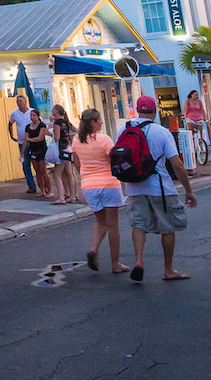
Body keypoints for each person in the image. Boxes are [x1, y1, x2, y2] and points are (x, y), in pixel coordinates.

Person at [121, 95, 197, 282]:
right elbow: (177, 164)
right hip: (159, 187)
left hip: (134, 187)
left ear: (138, 110)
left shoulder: (124, 128)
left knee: (138, 224)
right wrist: (188, 190)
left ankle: (139, 259)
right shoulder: (161, 132)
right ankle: (168, 269)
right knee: (167, 227)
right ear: (154, 111)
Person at [74, 111, 127, 274]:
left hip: (89, 186)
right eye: (99, 121)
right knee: (113, 226)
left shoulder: (76, 140)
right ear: (93, 123)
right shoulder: (104, 140)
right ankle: (115, 263)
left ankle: (94, 249)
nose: (102, 123)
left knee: (101, 222)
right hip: (108, 183)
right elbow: (114, 160)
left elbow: (77, 164)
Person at [51, 109, 81, 205]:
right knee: (70, 173)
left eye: (53, 109)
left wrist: (52, 131)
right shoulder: (66, 122)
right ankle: (73, 196)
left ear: (56, 111)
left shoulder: (57, 122)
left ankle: (61, 197)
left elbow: (57, 137)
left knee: (57, 175)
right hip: (68, 148)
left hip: (61, 150)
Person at [8, 94, 38, 192]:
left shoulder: (31, 112)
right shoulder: (14, 113)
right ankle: (31, 186)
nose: (19, 103)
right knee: (25, 164)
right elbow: (10, 123)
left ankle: (43, 186)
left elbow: (39, 123)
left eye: (20, 101)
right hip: (22, 142)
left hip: (33, 142)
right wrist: (11, 135)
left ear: (25, 102)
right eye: (17, 101)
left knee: (37, 164)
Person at [27, 106, 53, 199]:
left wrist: (30, 139)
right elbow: (25, 139)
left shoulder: (42, 125)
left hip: (41, 149)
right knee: (37, 170)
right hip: (32, 149)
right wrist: (23, 152)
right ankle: (42, 190)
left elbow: (40, 138)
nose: (32, 117)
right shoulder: (28, 126)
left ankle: (49, 190)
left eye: (34, 115)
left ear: (38, 117)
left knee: (43, 170)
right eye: (31, 115)